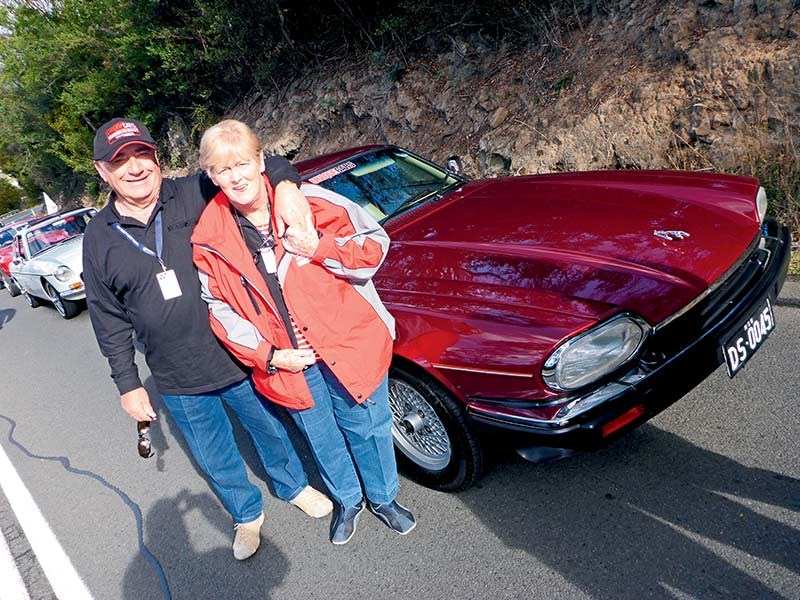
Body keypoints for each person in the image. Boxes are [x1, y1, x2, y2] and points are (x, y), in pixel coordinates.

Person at [83, 117, 332, 561]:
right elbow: (107, 317)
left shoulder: (194, 191)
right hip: (176, 375)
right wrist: (128, 383)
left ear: (156, 158)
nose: (134, 167)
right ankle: (246, 513)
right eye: (120, 161)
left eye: (141, 155)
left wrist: (289, 187)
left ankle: (293, 486)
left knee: (270, 431)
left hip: (235, 353)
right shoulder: (99, 237)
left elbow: (258, 166)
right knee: (215, 454)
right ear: (103, 170)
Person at [191, 119, 416, 545]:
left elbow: (374, 248)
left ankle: (384, 497)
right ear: (210, 175)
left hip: (346, 341)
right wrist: (268, 355)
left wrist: (319, 248)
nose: (236, 177)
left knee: (367, 424)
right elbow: (217, 307)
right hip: (289, 359)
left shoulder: (308, 200)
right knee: (322, 437)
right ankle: (348, 500)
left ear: (262, 161)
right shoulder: (209, 237)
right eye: (223, 169)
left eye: (242, 163)